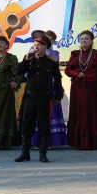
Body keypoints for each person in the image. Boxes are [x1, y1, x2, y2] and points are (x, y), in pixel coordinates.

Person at [15, 32, 63, 162]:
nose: (36, 47)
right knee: (26, 125)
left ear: (45, 47)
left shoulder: (51, 62)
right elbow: (18, 71)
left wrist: (58, 95)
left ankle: (43, 153)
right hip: (29, 97)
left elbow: (58, 80)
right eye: (34, 44)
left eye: (39, 45)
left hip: (44, 98)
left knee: (43, 126)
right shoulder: (28, 60)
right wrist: (25, 61)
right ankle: (25, 152)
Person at [65, 30, 97, 149]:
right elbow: (68, 70)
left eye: (86, 39)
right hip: (78, 89)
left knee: (92, 114)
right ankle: (77, 142)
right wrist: (77, 73)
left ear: (91, 41)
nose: (84, 41)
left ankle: (94, 142)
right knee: (79, 114)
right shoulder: (74, 53)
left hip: (93, 89)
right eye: (82, 39)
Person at [31, 30, 67, 148]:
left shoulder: (54, 54)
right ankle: (36, 142)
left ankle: (51, 141)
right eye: (46, 38)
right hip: (35, 88)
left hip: (50, 87)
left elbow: (56, 75)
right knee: (37, 115)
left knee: (51, 114)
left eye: (51, 39)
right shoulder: (32, 53)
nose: (48, 41)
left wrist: (58, 91)